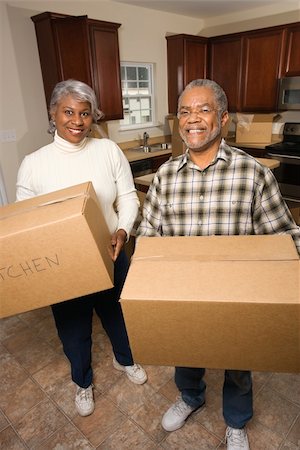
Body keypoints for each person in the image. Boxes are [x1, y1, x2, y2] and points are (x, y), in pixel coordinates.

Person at [137, 79, 300, 450]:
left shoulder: (253, 173)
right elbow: (147, 234)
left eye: (203, 109)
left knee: (238, 360)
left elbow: (284, 237)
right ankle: (191, 397)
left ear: (223, 118)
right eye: (184, 111)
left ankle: (236, 421)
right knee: (185, 350)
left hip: (237, 293)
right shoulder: (164, 177)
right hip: (181, 293)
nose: (192, 119)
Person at [16, 79, 147, 417]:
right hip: (64, 265)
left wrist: (123, 230)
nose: (77, 120)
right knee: (74, 328)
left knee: (118, 314)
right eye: (69, 112)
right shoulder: (33, 164)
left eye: (85, 113)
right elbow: (25, 224)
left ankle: (126, 360)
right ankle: (83, 382)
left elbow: (128, 197)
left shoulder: (107, 151)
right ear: (53, 114)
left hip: (111, 253)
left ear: (93, 117)